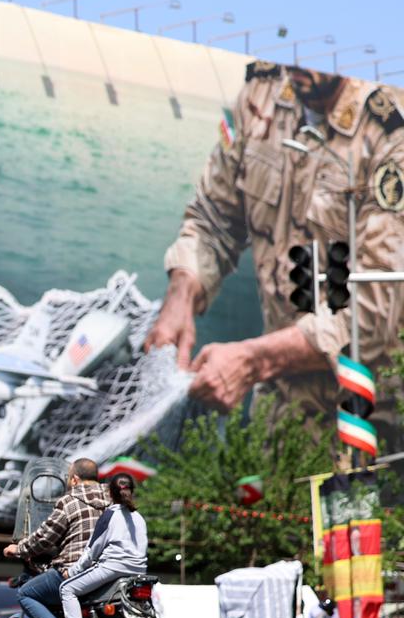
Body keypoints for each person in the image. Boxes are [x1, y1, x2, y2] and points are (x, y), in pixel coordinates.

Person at [144, 62, 404, 452]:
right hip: (277, 414)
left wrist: (251, 361)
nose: (294, 65)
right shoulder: (262, 95)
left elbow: (376, 311)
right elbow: (214, 218)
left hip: (364, 421)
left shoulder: (390, 131)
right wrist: (181, 295)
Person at [2, 458, 108, 618]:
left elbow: (44, 538)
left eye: (68, 478)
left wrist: (18, 548)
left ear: (75, 479)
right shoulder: (112, 499)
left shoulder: (69, 502)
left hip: (75, 568)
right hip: (107, 569)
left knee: (26, 593)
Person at [52, 473, 148, 618]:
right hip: (138, 570)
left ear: (110, 493)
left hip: (113, 568)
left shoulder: (110, 514)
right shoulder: (140, 518)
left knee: (67, 589)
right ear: (132, 491)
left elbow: (92, 550)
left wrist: (71, 572)